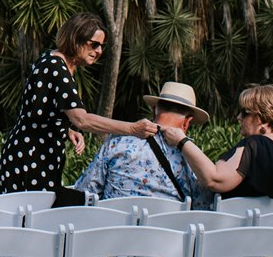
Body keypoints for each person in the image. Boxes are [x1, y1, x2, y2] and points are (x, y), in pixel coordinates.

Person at [0, 13, 159, 204]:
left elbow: (39, 111)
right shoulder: (56, 67)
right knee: (34, 223)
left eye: (101, 46)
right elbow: (82, 119)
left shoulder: (53, 62)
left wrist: (65, 130)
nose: (99, 51)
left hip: (32, 157)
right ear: (76, 39)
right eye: (94, 44)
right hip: (30, 159)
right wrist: (132, 129)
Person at [163, 82, 273, 202]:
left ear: (263, 119)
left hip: (250, 241)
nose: (238, 117)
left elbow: (215, 180)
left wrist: (182, 141)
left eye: (245, 113)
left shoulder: (254, 146)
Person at [75, 80, 210, 206]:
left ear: (154, 110)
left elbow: (86, 191)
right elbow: (201, 206)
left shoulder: (116, 142)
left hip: (115, 229)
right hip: (166, 230)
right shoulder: (193, 158)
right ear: (187, 122)